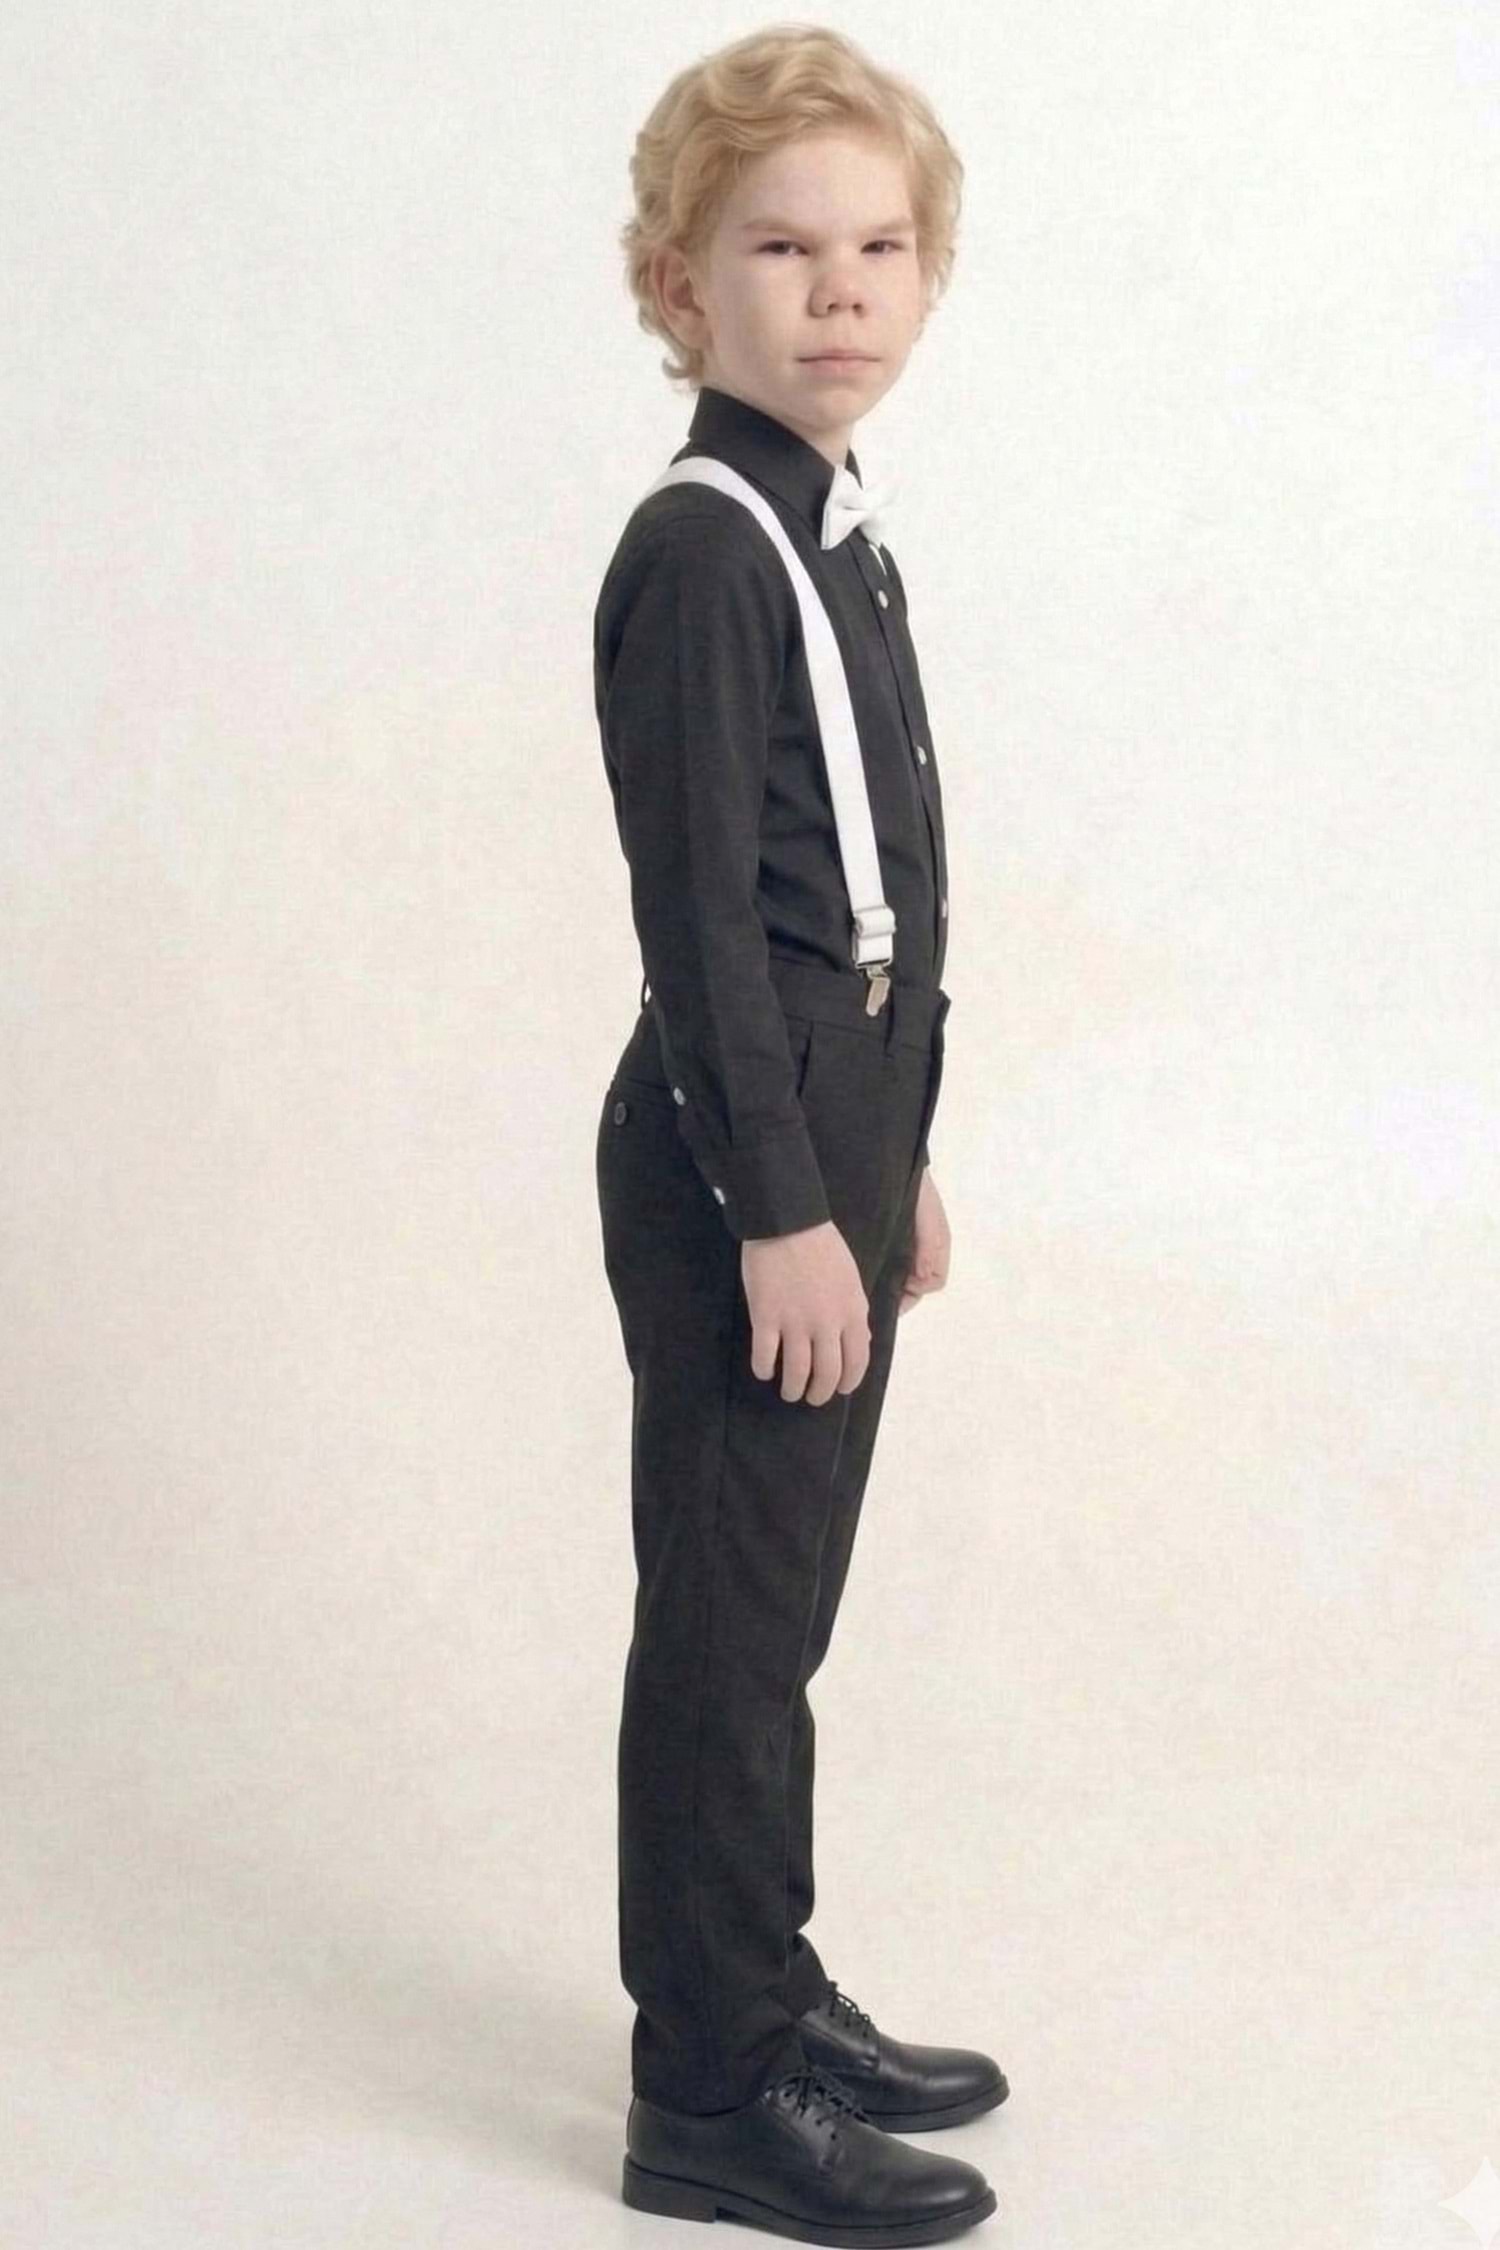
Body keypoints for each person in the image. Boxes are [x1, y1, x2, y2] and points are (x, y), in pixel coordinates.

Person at [592, 26, 1004, 2245]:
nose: (840, 289)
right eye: (779, 250)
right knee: (729, 1627)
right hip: (734, 1148)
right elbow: (699, 923)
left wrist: (888, 1152)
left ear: (925, 280)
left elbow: (849, 896)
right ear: (681, 287)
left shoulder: (835, 531)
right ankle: (710, 2087)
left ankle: (767, 1981)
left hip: (829, 1126)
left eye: (880, 249)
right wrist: (779, 1204)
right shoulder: (705, 548)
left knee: (784, 1612)